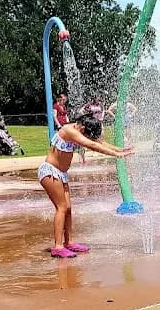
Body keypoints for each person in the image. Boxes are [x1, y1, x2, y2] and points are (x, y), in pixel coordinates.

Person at [39, 107, 133, 258]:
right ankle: (57, 246)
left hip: (61, 174)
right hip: (50, 172)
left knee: (68, 208)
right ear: (82, 127)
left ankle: (69, 243)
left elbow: (99, 142)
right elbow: (93, 145)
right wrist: (116, 155)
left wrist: (121, 150)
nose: (86, 137)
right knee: (61, 208)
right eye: (86, 134)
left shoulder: (78, 130)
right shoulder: (68, 130)